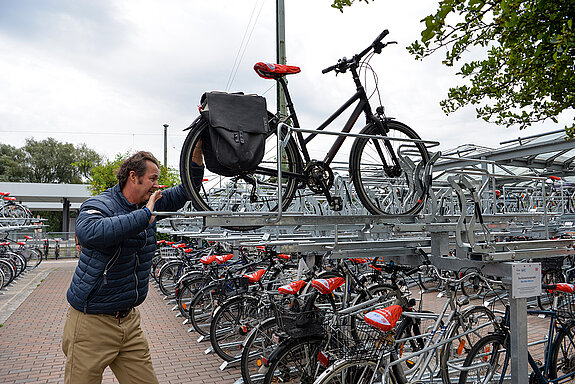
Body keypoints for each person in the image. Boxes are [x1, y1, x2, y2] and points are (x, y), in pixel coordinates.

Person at [61, 151, 199, 384]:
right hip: (91, 323)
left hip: (129, 322)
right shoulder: (101, 204)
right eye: (153, 179)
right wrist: (145, 216)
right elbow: (89, 233)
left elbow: (188, 189)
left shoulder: (149, 203)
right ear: (133, 177)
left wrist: (197, 152)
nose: (157, 185)